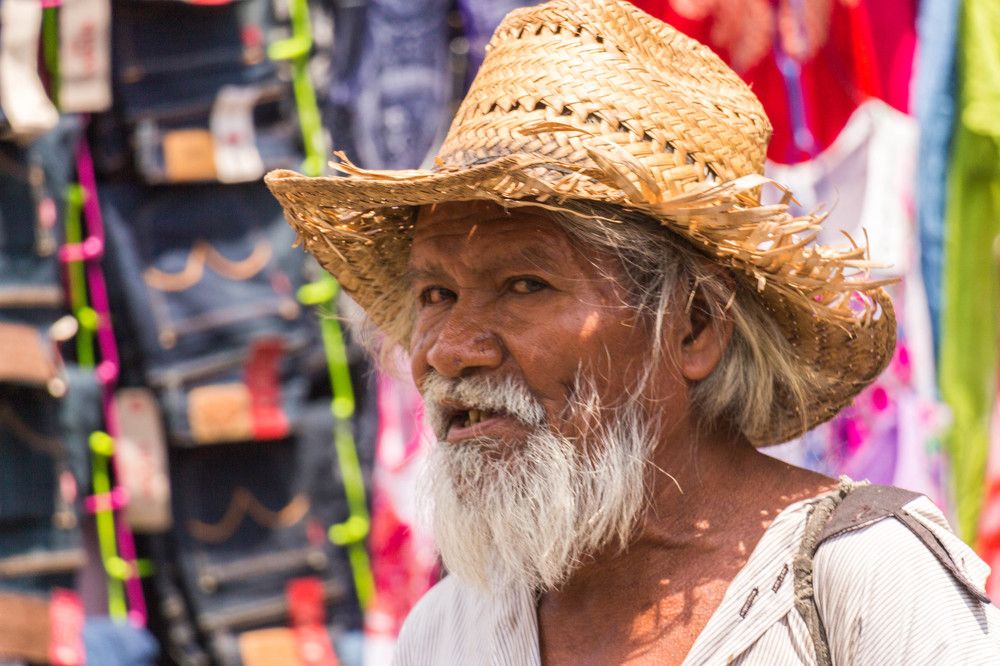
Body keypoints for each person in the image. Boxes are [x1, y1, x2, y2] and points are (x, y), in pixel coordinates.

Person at [266, 0, 1000, 662]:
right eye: (435, 293)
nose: (452, 349)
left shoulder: (863, 582)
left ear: (694, 326)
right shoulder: (453, 631)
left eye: (525, 285)